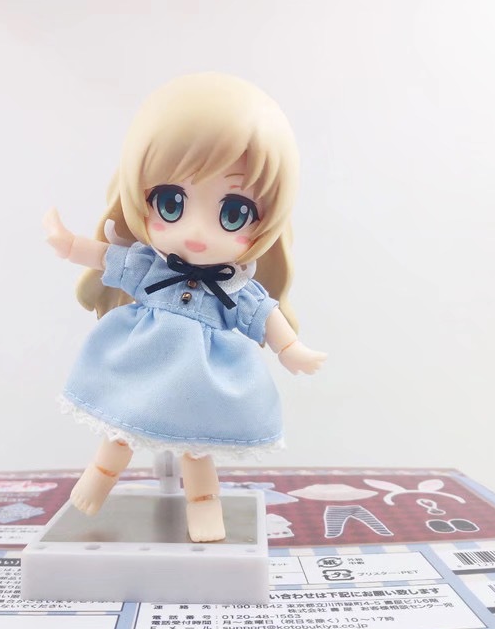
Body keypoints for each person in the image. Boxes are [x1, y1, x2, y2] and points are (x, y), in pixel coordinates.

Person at [44, 72, 327, 542]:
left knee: (197, 448)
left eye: (233, 213)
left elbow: (264, 314)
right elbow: (106, 257)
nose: (196, 232)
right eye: (171, 203)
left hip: (200, 380)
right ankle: (98, 477)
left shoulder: (235, 286)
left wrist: (291, 349)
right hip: (141, 360)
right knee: (121, 426)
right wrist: (69, 244)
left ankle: (204, 506)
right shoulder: (149, 266)